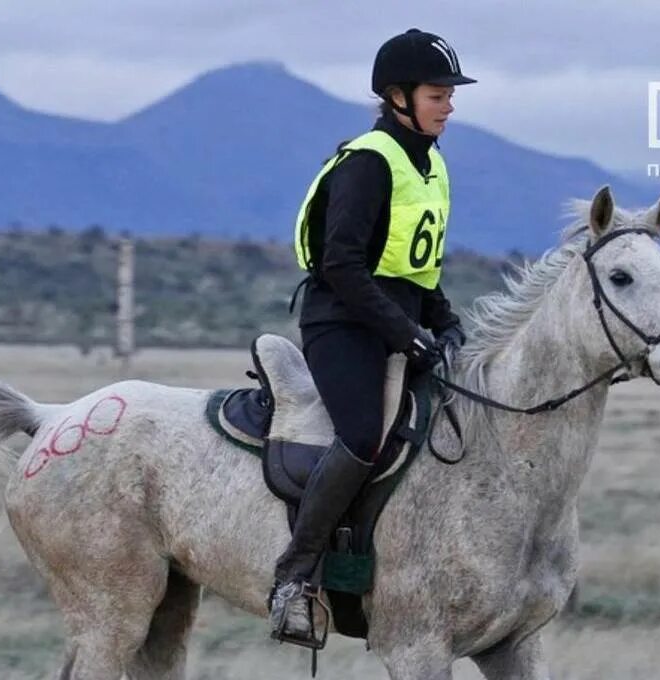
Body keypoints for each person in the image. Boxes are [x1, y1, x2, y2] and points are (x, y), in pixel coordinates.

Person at [269, 28, 476, 644]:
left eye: (449, 94)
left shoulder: (432, 165)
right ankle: (295, 576)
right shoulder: (368, 161)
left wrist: (446, 322)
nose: (449, 105)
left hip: (400, 322)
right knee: (364, 437)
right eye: (438, 94)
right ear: (398, 97)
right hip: (343, 322)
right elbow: (342, 264)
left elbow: (417, 269)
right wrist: (405, 333)